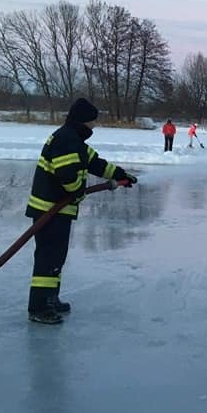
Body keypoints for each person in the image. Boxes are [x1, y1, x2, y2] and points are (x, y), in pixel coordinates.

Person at [25, 98, 137, 324]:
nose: (93, 127)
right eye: (92, 123)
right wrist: (78, 190)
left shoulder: (72, 139)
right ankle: (38, 307)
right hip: (50, 210)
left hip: (57, 210)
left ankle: (50, 299)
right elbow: (67, 176)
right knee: (49, 257)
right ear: (82, 122)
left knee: (56, 256)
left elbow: (95, 163)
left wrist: (120, 174)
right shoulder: (66, 140)